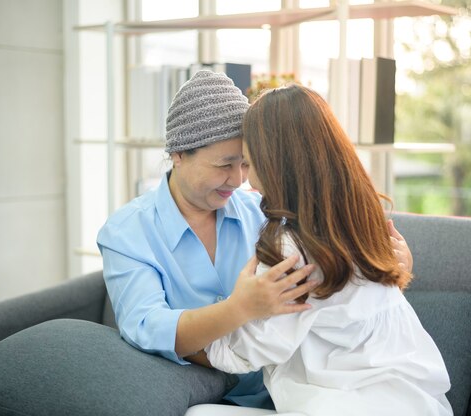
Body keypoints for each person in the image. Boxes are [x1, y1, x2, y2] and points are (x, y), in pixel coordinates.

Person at [97, 71, 414, 410]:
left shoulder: (271, 213)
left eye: (246, 163)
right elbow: (145, 326)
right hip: (206, 390)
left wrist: (386, 273)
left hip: (299, 393)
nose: (238, 180)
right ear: (178, 154)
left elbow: (337, 288)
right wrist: (237, 310)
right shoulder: (127, 233)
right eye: (224, 164)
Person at [203, 84, 452, 416]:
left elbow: (256, 348)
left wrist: (197, 331)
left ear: (279, 163)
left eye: (249, 163)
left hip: (343, 404)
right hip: (413, 400)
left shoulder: (292, 247)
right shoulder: (362, 218)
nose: (246, 181)